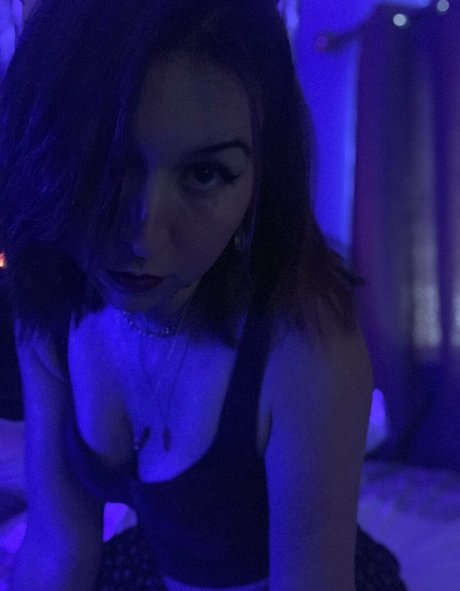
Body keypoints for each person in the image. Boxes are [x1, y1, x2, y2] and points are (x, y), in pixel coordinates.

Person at [0, 0, 407, 589]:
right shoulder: (54, 302)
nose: (144, 238)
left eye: (205, 174)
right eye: (109, 164)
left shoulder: (304, 347)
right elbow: (57, 545)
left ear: (260, 177)